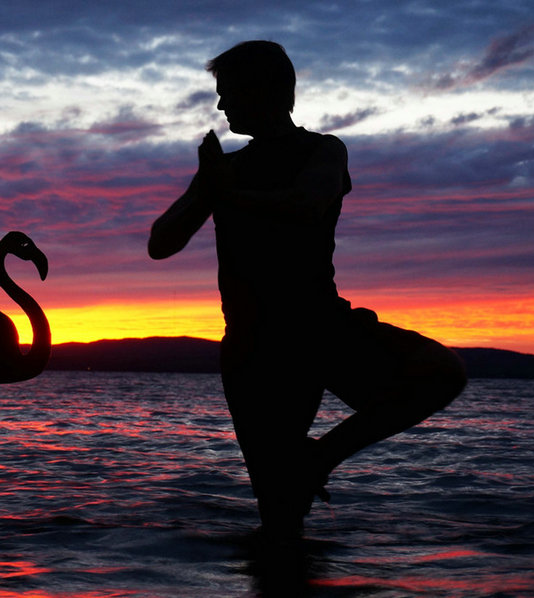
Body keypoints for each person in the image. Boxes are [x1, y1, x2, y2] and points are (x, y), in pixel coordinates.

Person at [148, 41, 467, 542]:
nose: (221, 106)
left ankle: (320, 456)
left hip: (320, 327)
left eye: (227, 92)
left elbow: (305, 205)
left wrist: (225, 193)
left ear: (263, 92)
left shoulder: (323, 149)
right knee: (279, 512)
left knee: (441, 373)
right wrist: (210, 190)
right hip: (252, 347)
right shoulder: (224, 170)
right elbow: (160, 244)